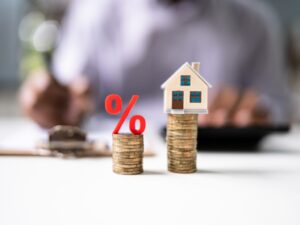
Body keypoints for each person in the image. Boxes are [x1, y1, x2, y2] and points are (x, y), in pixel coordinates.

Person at [19, 0, 289, 128]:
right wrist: (55, 105)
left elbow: (280, 107)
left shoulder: (253, 22)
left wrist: (259, 112)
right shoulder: (92, 12)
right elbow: (66, 96)